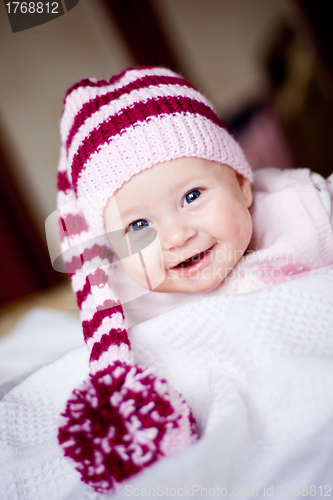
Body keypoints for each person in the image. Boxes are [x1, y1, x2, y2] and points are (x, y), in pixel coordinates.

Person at [57, 66, 333, 493]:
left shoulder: (303, 210)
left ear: (242, 185)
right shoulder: (126, 306)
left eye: (191, 197)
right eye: (139, 227)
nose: (176, 235)